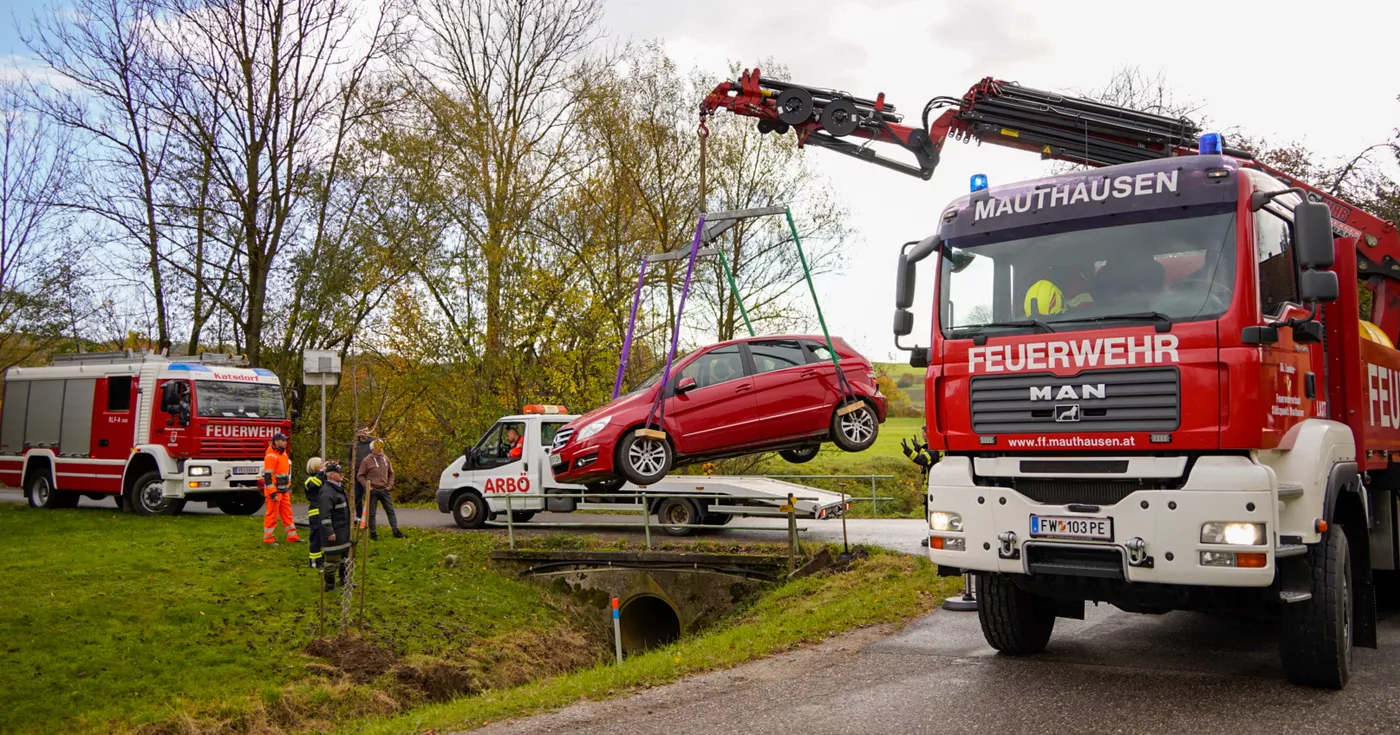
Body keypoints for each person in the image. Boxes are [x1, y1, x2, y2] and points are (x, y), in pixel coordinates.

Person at [316, 461, 353, 591]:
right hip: (334, 532)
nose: (342, 474)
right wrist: (329, 532)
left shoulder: (338, 488)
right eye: (339, 472)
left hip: (343, 531)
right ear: (331, 475)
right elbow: (325, 515)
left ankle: (344, 580)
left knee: (344, 558)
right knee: (332, 560)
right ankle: (329, 585)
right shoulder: (327, 493)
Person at [358, 440, 405, 540]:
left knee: (391, 511)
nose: (381, 449)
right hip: (372, 491)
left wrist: (389, 485)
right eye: (378, 447)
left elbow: (391, 473)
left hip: (385, 490)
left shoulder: (385, 459)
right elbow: (360, 475)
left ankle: (396, 531)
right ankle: (373, 533)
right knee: (372, 514)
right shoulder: (366, 460)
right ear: (373, 449)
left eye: (382, 447)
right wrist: (367, 487)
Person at [902, 426, 939, 548]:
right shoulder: (932, 446)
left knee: (932, 516)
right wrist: (918, 448)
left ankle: (934, 537)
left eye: (923, 432)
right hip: (932, 489)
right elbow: (925, 455)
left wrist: (909, 452)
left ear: (928, 434)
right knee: (930, 516)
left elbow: (923, 460)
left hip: (933, 490)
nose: (922, 434)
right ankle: (932, 536)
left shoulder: (934, 448)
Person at [262, 432, 300, 546]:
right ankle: (268, 538)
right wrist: (272, 493)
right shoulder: (271, 456)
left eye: (285, 440)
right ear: (276, 441)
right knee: (272, 515)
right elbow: (268, 477)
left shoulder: (283, 455)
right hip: (275, 491)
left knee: (287, 514)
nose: (285, 442)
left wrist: (288, 488)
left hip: (284, 491)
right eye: (283, 440)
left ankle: (292, 536)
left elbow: (284, 474)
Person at [348, 425, 378, 523]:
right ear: (358, 433)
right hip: (357, 474)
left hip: (370, 475)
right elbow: (350, 458)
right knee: (357, 496)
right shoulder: (354, 444)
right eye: (363, 431)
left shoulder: (373, 442)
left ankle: (370, 517)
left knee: (371, 495)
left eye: (366, 431)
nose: (365, 433)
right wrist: (351, 468)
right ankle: (360, 516)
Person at [303, 457, 326, 569]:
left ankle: (321, 559)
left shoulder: (323, 477)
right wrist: (321, 473)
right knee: (316, 537)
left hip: (324, 510)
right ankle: (313, 561)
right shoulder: (307, 478)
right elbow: (313, 485)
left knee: (324, 537)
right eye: (320, 464)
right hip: (315, 511)